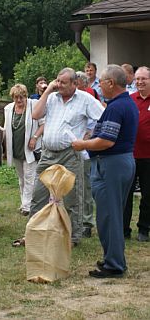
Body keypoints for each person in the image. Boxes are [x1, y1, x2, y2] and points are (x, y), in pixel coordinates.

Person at [72, 64, 139, 278]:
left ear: (111, 83)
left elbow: (107, 141)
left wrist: (83, 145)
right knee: (111, 215)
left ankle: (114, 265)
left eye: (101, 81)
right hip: (120, 162)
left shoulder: (117, 107)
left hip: (112, 163)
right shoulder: (124, 103)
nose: (99, 85)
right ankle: (113, 258)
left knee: (109, 216)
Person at [30, 68, 104, 246]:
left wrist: (88, 137)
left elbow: (103, 118)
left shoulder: (85, 99)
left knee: (72, 197)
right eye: (57, 81)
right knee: (38, 194)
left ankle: (72, 237)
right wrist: (48, 91)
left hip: (70, 154)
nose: (59, 85)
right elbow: (35, 115)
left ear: (74, 83)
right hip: (48, 153)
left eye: (63, 82)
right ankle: (35, 232)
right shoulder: (52, 98)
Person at [4, 84, 44, 216]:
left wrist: (35, 137)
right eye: (16, 97)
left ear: (26, 96)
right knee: (21, 178)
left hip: (30, 149)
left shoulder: (34, 105)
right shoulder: (9, 108)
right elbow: (6, 129)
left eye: (22, 97)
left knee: (30, 177)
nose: (19, 100)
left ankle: (27, 206)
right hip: (16, 149)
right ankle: (24, 202)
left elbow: (44, 123)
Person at [123, 66, 150, 242]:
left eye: (144, 79)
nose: (139, 82)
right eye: (137, 79)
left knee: (148, 195)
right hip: (129, 155)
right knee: (125, 194)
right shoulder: (130, 100)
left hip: (148, 157)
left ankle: (144, 229)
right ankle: (124, 229)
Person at [75, 71, 101, 238]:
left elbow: (100, 119)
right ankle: (71, 219)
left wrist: (90, 133)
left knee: (85, 185)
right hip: (68, 149)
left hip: (84, 150)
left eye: (75, 83)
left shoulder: (89, 99)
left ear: (83, 84)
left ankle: (86, 222)